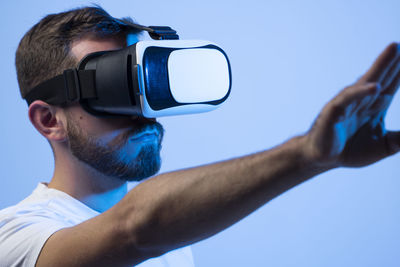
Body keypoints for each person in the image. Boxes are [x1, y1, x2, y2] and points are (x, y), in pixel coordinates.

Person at [0, 5, 399, 267]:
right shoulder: (17, 237)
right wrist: (307, 155)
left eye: (144, 82)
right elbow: (135, 230)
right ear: (49, 120)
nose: (144, 113)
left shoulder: (174, 244)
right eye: (115, 89)